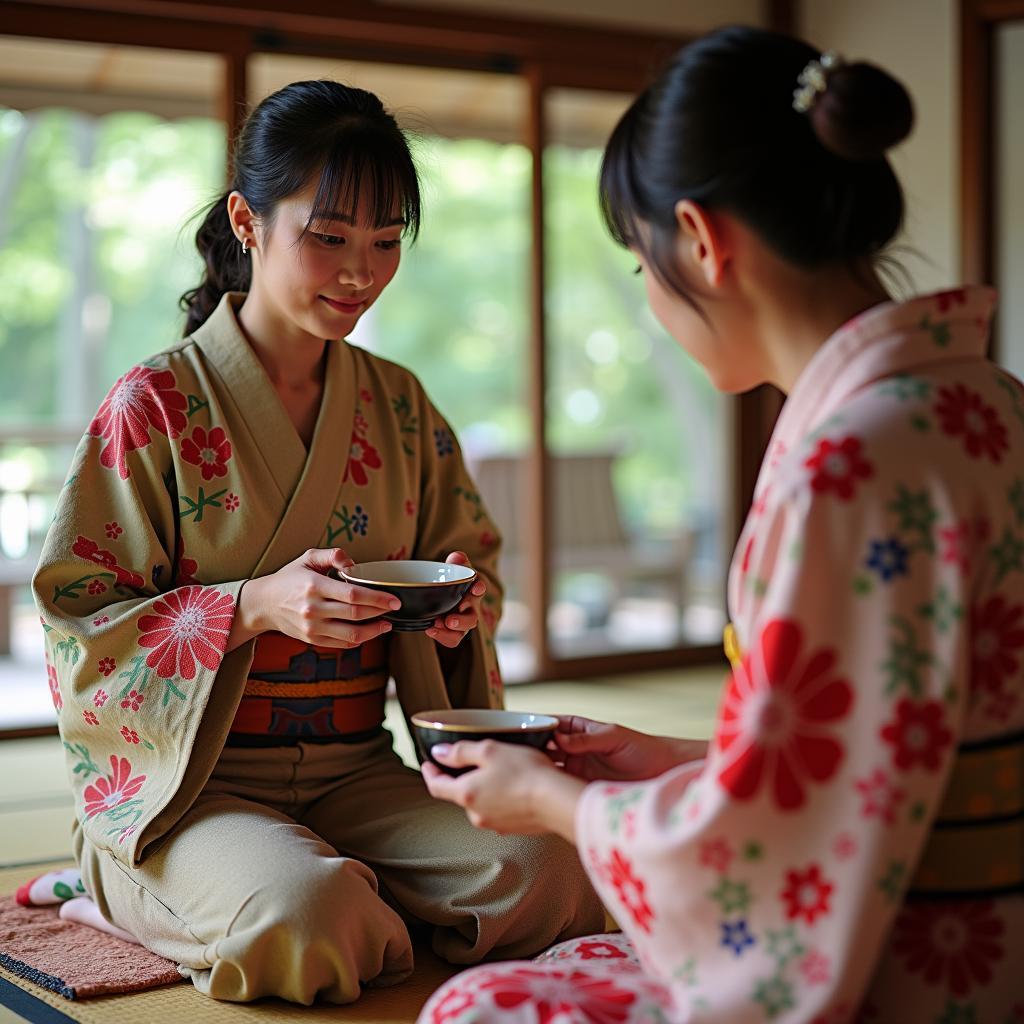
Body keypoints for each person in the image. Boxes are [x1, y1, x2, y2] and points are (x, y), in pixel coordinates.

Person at [416, 26, 1023, 1023]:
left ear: (700, 238)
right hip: (987, 943)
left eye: (640, 264)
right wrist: (671, 758)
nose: (652, 298)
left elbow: (777, 853)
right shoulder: (986, 401)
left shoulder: (849, 461)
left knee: (474, 1009)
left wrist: (560, 806)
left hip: (906, 969)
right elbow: (878, 755)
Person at [32, 79, 603, 1006]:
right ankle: (123, 888)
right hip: (193, 787)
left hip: (358, 771)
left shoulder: (400, 404)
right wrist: (251, 606)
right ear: (246, 222)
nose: (359, 273)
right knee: (305, 919)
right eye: (328, 237)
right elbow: (77, 618)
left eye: (385, 244)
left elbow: (473, 561)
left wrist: (457, 614)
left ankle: (318, 885)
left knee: (550, 870)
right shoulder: (157, 405)